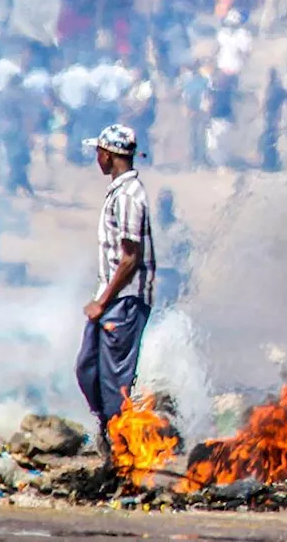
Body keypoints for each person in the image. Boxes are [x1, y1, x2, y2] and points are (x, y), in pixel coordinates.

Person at [75, 124, 156, 464]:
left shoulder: (127, 197)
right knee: (87, 368)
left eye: (99, 152)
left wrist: (102, 301)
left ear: (108, 155)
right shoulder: (119, 192)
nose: (97, 157)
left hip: (123, 303)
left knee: (114, 384)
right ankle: (111, 435)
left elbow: (130, 259)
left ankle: (123, 457)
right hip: (112, 299)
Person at [154, 189, 192, 311]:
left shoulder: (180, 228)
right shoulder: (150, 226)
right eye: (162, 203)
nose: (164, 206)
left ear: (171, 205)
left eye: (167, 203)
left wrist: (186, 280)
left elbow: (186, 256)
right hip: (154, 276)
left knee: (169, 310)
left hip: (172, 276)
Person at [260, 67, 287, 172]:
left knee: (270, 140)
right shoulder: (276, 88)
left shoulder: (273, 88)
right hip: (272, 117)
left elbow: (265, 103)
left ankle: (270, 164)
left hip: (273, 117)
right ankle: (270, 163)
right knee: (270, 140)